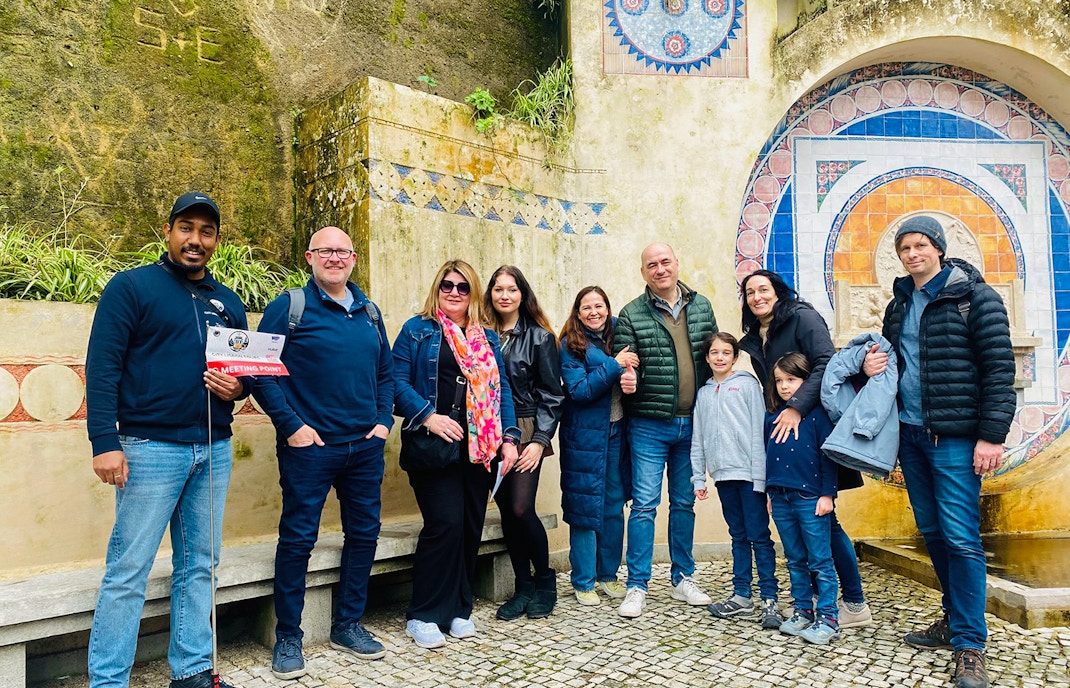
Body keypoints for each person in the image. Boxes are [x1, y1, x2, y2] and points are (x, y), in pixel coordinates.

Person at [85, 192, 249, 688]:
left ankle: (194, 670)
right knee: (128, 570)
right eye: (186, 227)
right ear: (169, 230)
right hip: (147, 450)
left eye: (206, 231)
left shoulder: (229, 303)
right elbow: (102, 367)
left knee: (200, 564)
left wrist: (237, 387)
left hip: (214, 448)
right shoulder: (131, 287)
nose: (195, 239)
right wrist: (103, 442)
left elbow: (244, 374)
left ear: (216, 241)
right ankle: (108, 681)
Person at [863, 215, 1015, 688]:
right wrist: (872, 364)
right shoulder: (899, 303)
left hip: (954, 438)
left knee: (962, 538)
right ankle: (953, 619)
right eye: (905, 247)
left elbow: (998, 369)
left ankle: (971, 644)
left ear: (939, 250)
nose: (912, 254)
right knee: (933, 533)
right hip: (910, 436)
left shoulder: (976, 298)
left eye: (921, 245)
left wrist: (991, 435)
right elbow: (893, 363)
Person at [253, 227, 394, 679]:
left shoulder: (369, 311)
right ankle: (289, 637)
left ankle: (348, 624)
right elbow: (260, 372)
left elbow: (386, 374)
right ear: (311, 256)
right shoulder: (290, 306)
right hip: (309, 450)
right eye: (325, 251)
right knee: (298, 540)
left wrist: (382, 423)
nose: (335, 258)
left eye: (342, 251)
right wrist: (292, 426)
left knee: (364, 534)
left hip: (364, 448)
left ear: (353, 258)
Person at [392, 259, 521, 649]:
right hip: (434, 445)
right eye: (447, 285)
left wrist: (510, 438)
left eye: (463, 287)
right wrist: (428, 416)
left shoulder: (488, 338)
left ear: (473, 293)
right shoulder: (418, 330)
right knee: (444, 525)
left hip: (480, 448)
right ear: (437, 288)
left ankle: (457, 609)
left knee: (468, 527)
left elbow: (503, 392)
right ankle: (423, 613)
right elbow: (394, 381)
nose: (454, 292)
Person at [738, 269, 872, 628]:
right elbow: (772, 383)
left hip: (814, 428)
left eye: (763, 289)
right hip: (786, 437)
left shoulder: (803, 317)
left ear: (778, 292)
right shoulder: (756, 336)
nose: (756, 297)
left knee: (826, 523)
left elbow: (827, 363)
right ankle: (812, 605)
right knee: (808, 532)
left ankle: (854, 604)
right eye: (749, 292)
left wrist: (796, 407)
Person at [613, 242, 717, 618]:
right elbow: (627, 362)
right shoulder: (630, 313)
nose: (660, 269)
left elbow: (714, 355)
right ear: (643, 273)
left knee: (685, 503)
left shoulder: (702, 306)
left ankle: (682, 578)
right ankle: (637, 586)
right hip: (649, 426)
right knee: (643, 506)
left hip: (693, 425)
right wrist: (628, 377)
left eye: (665, 262)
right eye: (651, 265)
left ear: (676, 264)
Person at [483, 266, 565, 620]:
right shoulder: (480, 334)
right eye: (498, 289)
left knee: (520, 508)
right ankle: (522, 586)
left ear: (522, 294)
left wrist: (539, 440)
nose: (505, 295)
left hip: (528, 425)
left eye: (511, 289)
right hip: (489, 430)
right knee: (506, 513)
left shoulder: (540, 337)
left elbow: (552, 393)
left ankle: (545, 581)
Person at [690, 332, 782, 629]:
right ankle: (741, 593)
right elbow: (698, 438)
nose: (719, 357)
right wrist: (698, 477)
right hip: (723, 475)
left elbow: (759, 431)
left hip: (749, 474)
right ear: (707, 358)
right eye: (714, 353)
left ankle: (770, 597)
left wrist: (761, 478)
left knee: (759, 535)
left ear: (734, 356)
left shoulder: (746, 385)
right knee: (738, 535)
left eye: (725, 353)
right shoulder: (703, 394)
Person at [558, 286, 638, 606]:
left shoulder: (620, 333)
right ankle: (583, 580)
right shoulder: (570, 345)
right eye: (586, 307)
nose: (594, 312)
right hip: (585, 438)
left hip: (618, 432)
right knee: (584, 509)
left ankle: (608, 575)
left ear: (607, 307)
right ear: (578, 313)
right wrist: (614, 365)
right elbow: (579, 391)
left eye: (599, 305)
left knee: (613, 506)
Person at [764, 353, 840, 645]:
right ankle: (802, 611)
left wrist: (827, 495)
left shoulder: (818, 415)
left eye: (791, 380)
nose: (784, 386)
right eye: (779, 380)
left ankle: (829, 617)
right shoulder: (772, 416)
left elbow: (828, 456)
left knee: (819, 560)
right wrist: (770, 494)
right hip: (780, 497)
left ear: (806, 381)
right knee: (795, 558)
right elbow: (768, 456)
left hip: (810, 497)